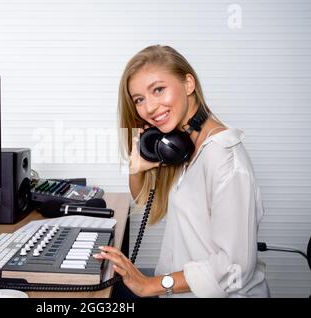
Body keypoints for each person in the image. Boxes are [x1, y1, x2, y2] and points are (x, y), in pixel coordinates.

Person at [94, 45, 270, 298]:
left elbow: (235, 269)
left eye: (158, 90)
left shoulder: (224, 157)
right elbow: (142, 200)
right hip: (177, 288)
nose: (150, 108)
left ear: (188, 84)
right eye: (139, 100)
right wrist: (137, 166)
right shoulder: (183, 146)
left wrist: (149, 285)